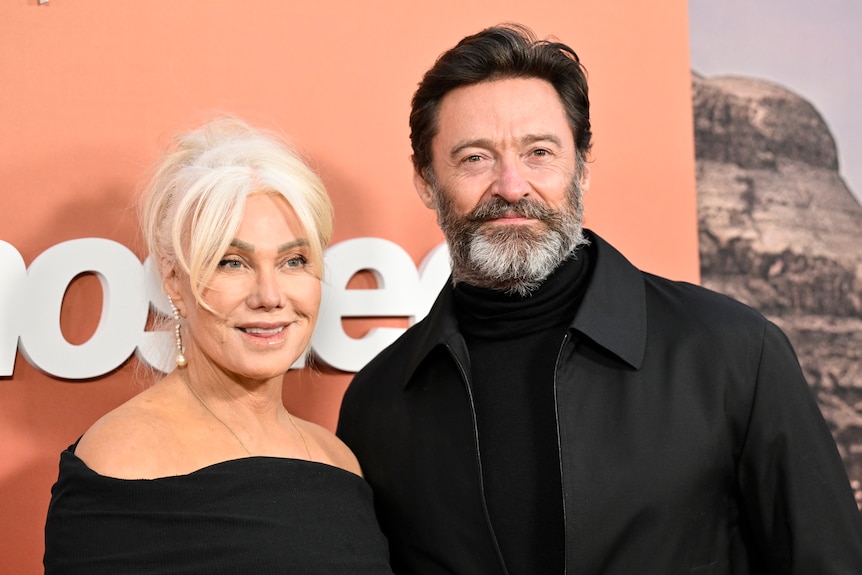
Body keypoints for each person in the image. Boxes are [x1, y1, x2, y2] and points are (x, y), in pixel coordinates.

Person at [336, 24, 862, 574]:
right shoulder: (376, 405)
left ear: (581, 166)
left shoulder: (733, 354)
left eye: (539, 152)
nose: (512, 186)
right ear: (426, 179)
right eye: (475, 158)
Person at [44, 117, 394, 574]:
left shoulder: (339, 461)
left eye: (294, 260)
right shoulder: (123, 456)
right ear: (174, 280)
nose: (270, 296)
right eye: (232, 262)